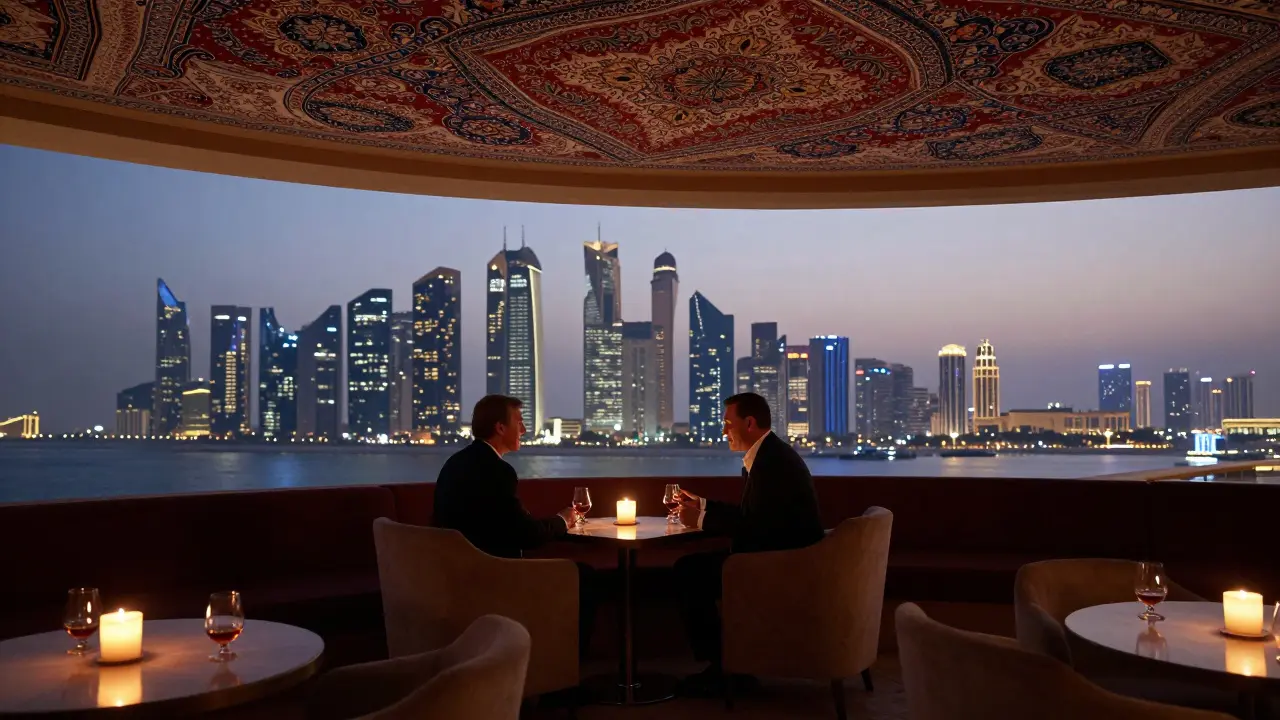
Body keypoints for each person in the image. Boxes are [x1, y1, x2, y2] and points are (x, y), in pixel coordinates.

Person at [674, 392, 824, 695]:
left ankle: (724, 668)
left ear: (750, 423)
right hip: (784, 557)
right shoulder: (770, 455)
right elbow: (753, 515)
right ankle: (727, 664)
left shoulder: (772, 463)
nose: (724, 431)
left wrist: (700, 521)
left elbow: (757, 526)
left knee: (689, 572)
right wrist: (702, 505)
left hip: (781, 567)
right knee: (693, 567)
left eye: (728, 423)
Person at [433, 395, 597, 660]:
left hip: (456, 572)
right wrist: (563, 520)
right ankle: (564, 674)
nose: (523, 430)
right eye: (519, 422)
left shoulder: (455, 463)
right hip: (493, 575)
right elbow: (525, 535)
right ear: (500, 428)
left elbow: (503, 522)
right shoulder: (497, 471)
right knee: (582, 577)